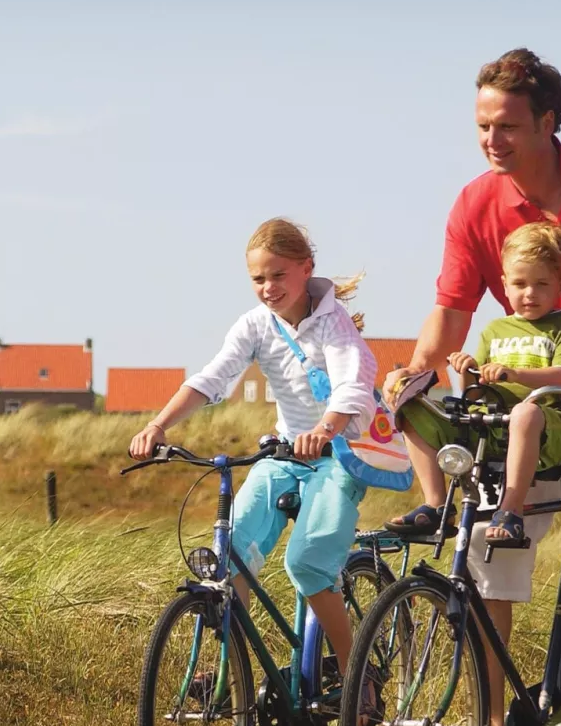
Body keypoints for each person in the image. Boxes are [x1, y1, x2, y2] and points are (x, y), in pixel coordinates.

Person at [382, 48, 561, 726]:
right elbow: (450, 311)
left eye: (507, 126)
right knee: (489, 542)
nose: (492, 140)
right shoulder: (475, 204)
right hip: (523, 402)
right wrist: (414, 371)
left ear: (547, 123)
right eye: (483, 126)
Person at [129, 217, 379, 671]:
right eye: (258, 279)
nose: (268, 287)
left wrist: (324, 431)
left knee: (305, 564)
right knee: (230, 556)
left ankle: (352, 672)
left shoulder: (333, 325)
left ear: (307, 268)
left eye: (278, 275)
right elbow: (213, 377)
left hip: (337, 456)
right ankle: (232, 672)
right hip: (284, 453)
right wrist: (159, 425)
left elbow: (353, 386)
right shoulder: (255, 325)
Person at [388, 221, 561, 546]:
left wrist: (514, 375)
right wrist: (467, 370)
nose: (530, 293)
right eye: (520, 283)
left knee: (526, 413)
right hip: (492, 426)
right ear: (505, 284)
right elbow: (475, 392)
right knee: (411, 405)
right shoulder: (494, 330)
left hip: (545, 432)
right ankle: (436, 505)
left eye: (542, 283)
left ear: (560, 284)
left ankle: (510, 511)